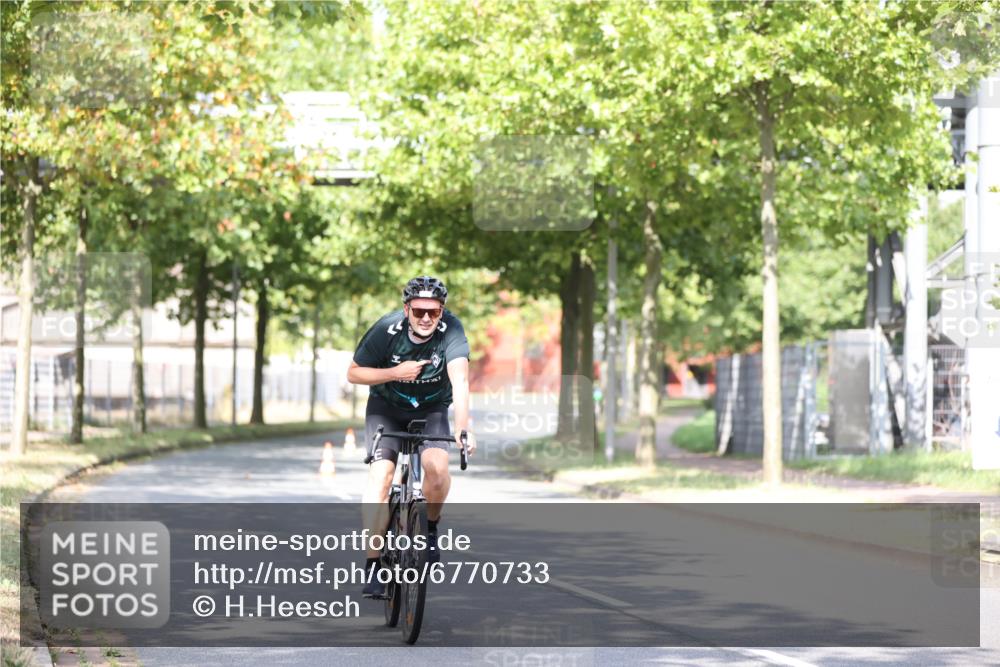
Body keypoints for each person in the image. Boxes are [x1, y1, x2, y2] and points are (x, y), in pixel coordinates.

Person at [347, 275, 477, 598]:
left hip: (431, 408)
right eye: (419, 311)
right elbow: (353, 372)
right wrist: (395, 372)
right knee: (381, 477)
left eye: (433, 312)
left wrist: (463, 428)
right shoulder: (386, 330)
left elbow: (460, 381)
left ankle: (429, 529)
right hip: (386, 406)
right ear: (406, 310)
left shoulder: (452, 331)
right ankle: (374, 564)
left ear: (442, 311)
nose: (426, 319)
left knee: (437, 468)